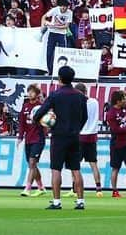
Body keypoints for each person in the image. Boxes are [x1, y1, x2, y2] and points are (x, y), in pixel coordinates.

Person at [33, 64, 89, 211]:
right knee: (76, 169)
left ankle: (57, 202)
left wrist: (40, 121)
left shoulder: (55, 95)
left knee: (56, 169)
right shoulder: (80, 96)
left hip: (58, 136)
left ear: (60, 78)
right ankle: (80, 201)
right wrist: (77, 129)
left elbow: (40, 112)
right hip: (74, 136)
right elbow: (85, 117)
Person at [74, 83, 104, 197]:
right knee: (93, 164)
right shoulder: (95, 102)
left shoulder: (78, 103)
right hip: (92, 135)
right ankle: (98, 188)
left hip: (81, 135)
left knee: (75, 164)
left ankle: (74, 189)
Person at [17, 84, 46, 197]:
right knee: (31, 165)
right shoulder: (25, 107)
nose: (30, 94)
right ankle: (41, 187)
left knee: (33, 163)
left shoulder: (41, 106)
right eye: (29, 91)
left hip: (38, 138)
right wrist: (20, 137)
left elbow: (48, 121)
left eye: (32, 92)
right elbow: (22, 123)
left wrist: (46, 130)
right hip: (28, 139)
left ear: (37, 94)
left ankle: (27, 188)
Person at [42, 0, 73, 72]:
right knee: (49, 52)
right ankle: (49, 70)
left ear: (68, 7)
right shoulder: (55, 10)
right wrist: (44, 25)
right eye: (62, 6)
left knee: (63, 52)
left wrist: (55, 26)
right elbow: (44, 17)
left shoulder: (69, 13)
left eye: (65, 6)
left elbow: (66, 26)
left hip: (62, 34)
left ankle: (61, 70)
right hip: (52, 33)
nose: (63, 8)